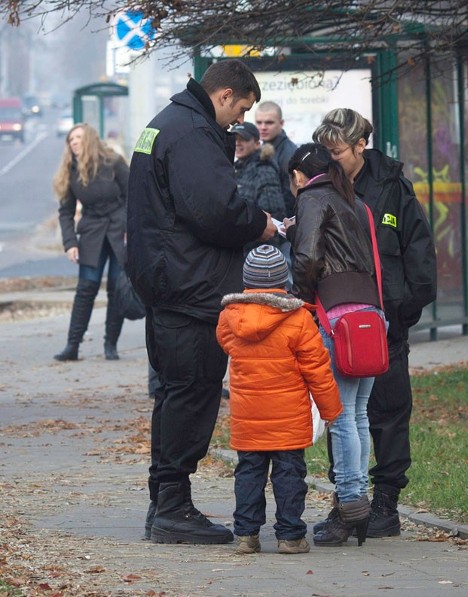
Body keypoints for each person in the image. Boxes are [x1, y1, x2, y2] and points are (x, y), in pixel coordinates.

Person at [127, 59, 277, 545]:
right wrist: (261, 225)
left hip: (168, 281)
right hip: (192, 287)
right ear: (224, 93)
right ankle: (173, 508)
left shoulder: (163, 125)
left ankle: (165, 502)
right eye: (241, 108)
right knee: (192, 392)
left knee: (174, 393)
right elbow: (214, 210)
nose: (240, 120)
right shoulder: (191, 132)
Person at [313, 108, 437, 538]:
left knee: (386, 411)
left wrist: (405, 311)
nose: (331, 158)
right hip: (339, 321)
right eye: (325, 151)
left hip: (386, 322)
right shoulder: (324, 187)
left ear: (360, 145)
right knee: (341, 413)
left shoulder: (391, 188)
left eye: (337, 151)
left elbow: (419, 250)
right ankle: (348, 502)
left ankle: (385, 502)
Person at [285, 143, 385, 547]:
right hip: (371, 314)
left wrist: (298, 297)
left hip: (336, 315)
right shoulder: (354, 200)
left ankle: (350, 506)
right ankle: (358, 503)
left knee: (340, 417)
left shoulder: (312, 197)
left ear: (298, 175)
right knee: (358, 414)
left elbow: (308, 257)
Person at [217, 244, 342, 555]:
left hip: (248, 416)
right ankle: (290, 536)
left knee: (248, 472)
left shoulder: (230, 318)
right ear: (284, 281)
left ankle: (246, 535)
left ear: (246, 280)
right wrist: (330, 409)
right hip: (288, 416)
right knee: (289, 474)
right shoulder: (298, 320)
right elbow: (317, 369)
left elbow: (227, 345)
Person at [52, 123, 129, 362]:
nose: (73, 142)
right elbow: (65, 212)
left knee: (117, 289)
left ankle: (110, 345)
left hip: (119, 229)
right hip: (92, 231)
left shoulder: (113, 162)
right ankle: (72, 346)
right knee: (86, 288)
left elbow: (133, 195)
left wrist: (130, 229)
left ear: (90, 140)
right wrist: (70, 243)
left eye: (77, 137)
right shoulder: (70, 170)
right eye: (70, 139)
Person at [230, 121, 286, 233]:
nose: (237, 143)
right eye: (234, 139)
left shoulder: (264, 170)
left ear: (257, 143)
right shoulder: (238, 167)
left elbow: (273, 215)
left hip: (259, 244)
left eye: (244, 139)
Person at [255, 101, 298, 217]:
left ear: (281, 123)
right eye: (259, 123)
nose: (263, 127)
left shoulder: (290, 153)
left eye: (269, 123)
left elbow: (291, 196)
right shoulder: (259, 149)